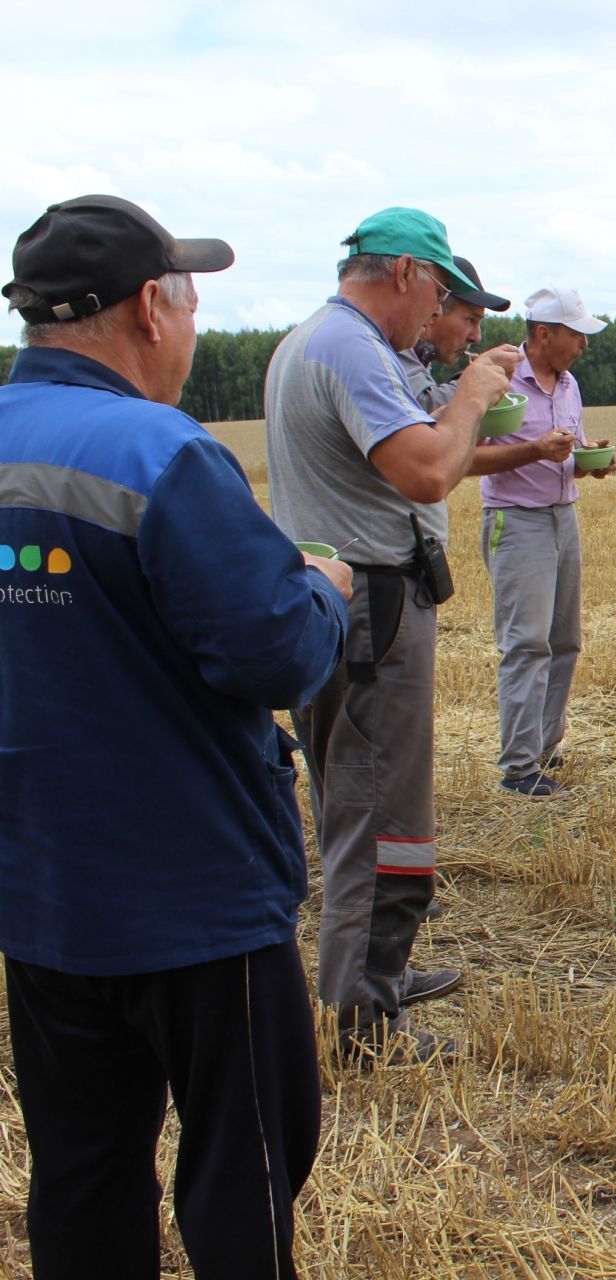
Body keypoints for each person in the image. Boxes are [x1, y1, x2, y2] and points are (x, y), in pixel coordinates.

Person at [0, 195, 348, 1277]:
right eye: (188, 303)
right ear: (152, 306)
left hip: (40, 893)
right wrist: (322, 590)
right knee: (242, 1170)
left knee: (84, 1170)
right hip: (193, 894)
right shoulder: (158, 453)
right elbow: (275, 653)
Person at [265, 207, 510, 1059]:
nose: (439, 308)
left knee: (359, 798)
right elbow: (426, 470)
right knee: (376, 810)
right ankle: (366, 1019)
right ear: (405, 272)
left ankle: (378, 974)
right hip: (369, 604)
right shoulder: (351, 347)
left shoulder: (320, 341)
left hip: (354, 596)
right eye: (441, 290)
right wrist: (475, 392)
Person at [474, 286, 616, 794]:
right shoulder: (497, 383)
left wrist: (588, 460)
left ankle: (543, 751)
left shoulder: (569, 384)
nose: (583, 344)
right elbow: (464, 459)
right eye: (576, 335)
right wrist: (536, 449)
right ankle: (518, 769)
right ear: (544, 333)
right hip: (517, 522)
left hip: (563, 518)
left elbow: (565, 452)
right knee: (526, 645)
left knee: (564, 642)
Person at [395, 252, 519, 410]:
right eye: (470, 320)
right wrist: (478, 379)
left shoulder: (421, 355)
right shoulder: (396, 345)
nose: (477, 337)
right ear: (435, 310)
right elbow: (418, 407)